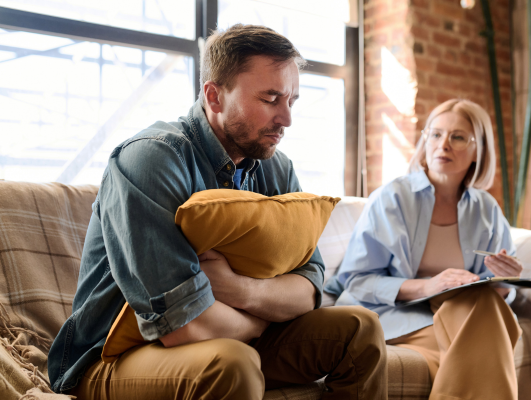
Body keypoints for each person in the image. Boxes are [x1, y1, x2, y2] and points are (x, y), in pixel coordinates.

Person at [48, 24, 387, 400]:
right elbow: (183, 325)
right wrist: (261, 319)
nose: (286, 119)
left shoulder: (276, 167)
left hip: (227, 333)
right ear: (214, 96)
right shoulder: (151, 160)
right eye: (271, 98)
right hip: (117, 355)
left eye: (291, 101)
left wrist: (237, 289)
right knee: (232, 364)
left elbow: (310, 285)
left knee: (361, 328)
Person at [325, 99, 523, 400]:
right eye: (435, 134)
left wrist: (506, 282)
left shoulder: (486, 209)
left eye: (457, 137)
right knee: (483, 340)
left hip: (460, 310)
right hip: (393, 312)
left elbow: (497, 290)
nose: (443, 144)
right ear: (425, 141)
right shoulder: (392, 198)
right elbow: (357, 279)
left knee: (485, 307)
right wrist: (429, 286)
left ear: (477, 151)